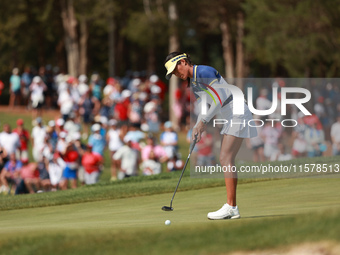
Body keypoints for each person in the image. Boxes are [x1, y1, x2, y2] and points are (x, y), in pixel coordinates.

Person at [164, 52, 257, 220]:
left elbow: (220, 98)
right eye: (173, 74)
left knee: (225, 158)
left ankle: (231, 207)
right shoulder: (194, 83)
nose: (176, 75)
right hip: (231, 115)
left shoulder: (204, 72)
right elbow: (205, 106)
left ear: (183, 62)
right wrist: (198, 126)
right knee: (226, 159)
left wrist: (203, 122)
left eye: (175, 70)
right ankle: (232, 206)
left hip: (236, 112)